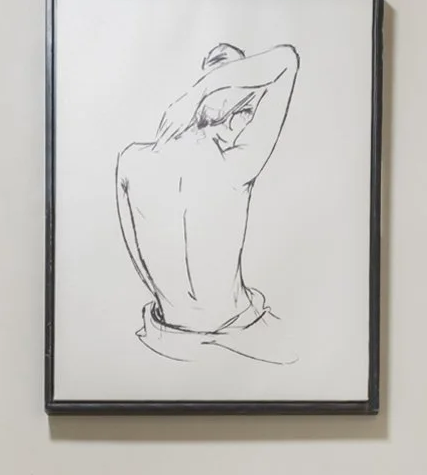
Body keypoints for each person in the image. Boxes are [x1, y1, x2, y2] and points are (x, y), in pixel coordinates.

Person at [114, 42, 301, 364]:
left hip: (166, 330)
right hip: (237, 331)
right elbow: (288, 60)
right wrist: (200, 92)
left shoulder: (131, 160)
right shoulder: (236, 162)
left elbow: (141, 264)